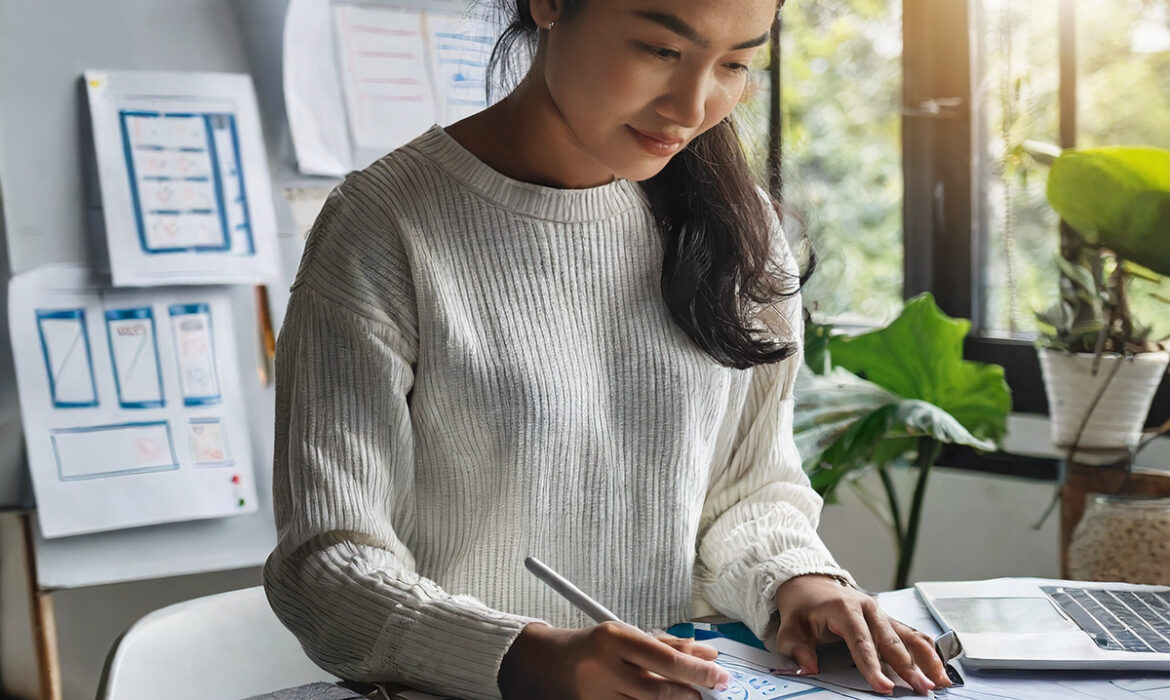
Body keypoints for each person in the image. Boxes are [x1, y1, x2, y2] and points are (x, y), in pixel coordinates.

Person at [263, 0, 952, 698]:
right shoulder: (385, 226)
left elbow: (743, 494)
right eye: (659, 50)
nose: (692, 106)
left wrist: (797, 580)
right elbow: (327, 565)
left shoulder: (739, 228)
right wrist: (526, 657)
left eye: (736, 63)